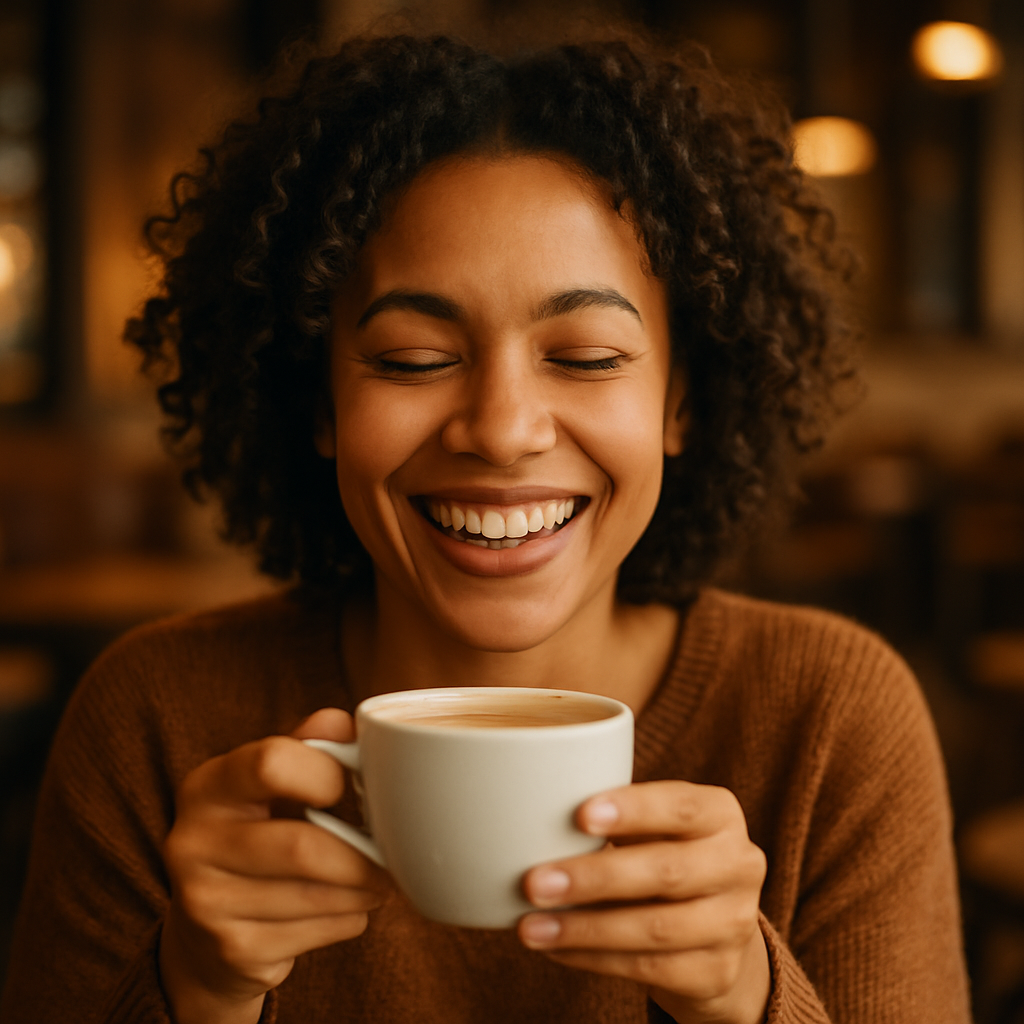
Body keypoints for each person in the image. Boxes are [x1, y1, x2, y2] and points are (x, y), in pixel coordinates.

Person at [0, 29, 970, 1024]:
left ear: (681, 400)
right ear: (321, 405)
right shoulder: (155, 720)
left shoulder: (831, 722)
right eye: (415, 358)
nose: (503, 432)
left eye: (588, 357)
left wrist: (744, 994)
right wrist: (193, 987)